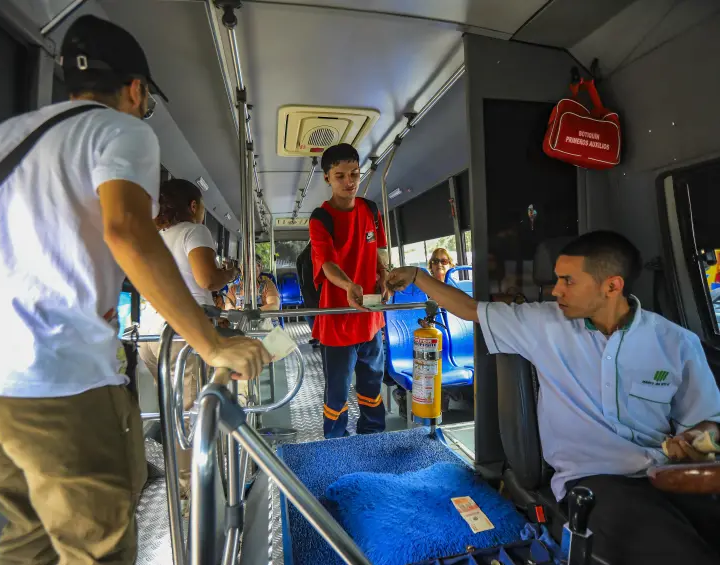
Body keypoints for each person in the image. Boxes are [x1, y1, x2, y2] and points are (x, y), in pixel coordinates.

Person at [0, 15, 268, 565]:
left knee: (30, 534)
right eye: (147, 99)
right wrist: (211, 344)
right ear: (136, 89)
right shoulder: (124, 131)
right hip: (49, 378)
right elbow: (125, 231)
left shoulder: (3, 138)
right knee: (98, 548)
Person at [386, 230, 720, 565]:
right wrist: (418, 276)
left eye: (568, 280)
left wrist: (696, 437)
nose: (556, 289)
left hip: (670, 474)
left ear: (612, 286)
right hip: (596, 480)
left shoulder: (677, 343)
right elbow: (469, 308)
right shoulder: (544, 322)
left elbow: (710, 421)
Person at [137, 178, 238, 505]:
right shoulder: (194, 231)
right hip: (181, 331)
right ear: (193, 206)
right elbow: (206, 278)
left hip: (151, 332)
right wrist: (230, 274)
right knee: (192, 413)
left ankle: (185, 486)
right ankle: (195, 498)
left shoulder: (155, 236)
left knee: (173, 412)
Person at [309, 143, 390, 439]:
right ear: (328, 178)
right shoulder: (321, 218)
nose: (349, 182)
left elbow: (377, 251)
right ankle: (336, 444)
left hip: (370, 317)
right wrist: (348, 285)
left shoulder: (370, 209)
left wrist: (384, 275)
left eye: (354, 173)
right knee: (338, 393)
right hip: (339, 319)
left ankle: (373, 435)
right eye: (340, 175)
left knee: (372, 385)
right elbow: (327, 264)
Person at [225, 258, 281, 330]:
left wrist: (256, 311)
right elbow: (228, 309)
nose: (250, 269)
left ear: (259, 268)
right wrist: (238, 312)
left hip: (266, 329)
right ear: (241, 269)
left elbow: (274, 306)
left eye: (254, 265)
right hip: (242, 327)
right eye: (246, 266)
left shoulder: (267, 284)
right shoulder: (233, 289)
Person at [296, 242, 320, 347]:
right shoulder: (316, 252)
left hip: (308, 290)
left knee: (311, 314)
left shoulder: (303, 255)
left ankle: (317, 336)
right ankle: (318, 336)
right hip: (315, 290)